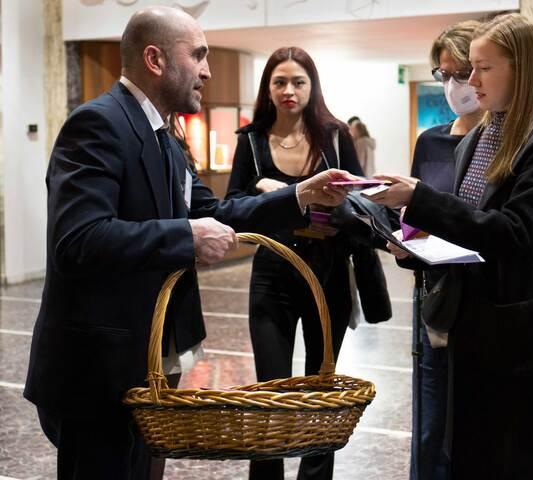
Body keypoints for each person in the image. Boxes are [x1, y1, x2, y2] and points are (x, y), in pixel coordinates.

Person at [23, 7, 356, 480]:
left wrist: (300, 194)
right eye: (197, 55)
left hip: (147, 359)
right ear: (155, 59)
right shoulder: (97, 124)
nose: (207, 70)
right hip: (99, 368)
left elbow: (215, 212)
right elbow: (79, 240)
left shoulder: (164, 136)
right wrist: (186, 235)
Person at [370, 14, 533, 479]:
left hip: (522, 333)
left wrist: (421, 199)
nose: (471, 81)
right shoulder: (480, 137)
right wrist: (414, 243)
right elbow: (468, 229)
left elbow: (512, 232)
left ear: (520, 69)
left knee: (519, 458)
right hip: (473, 324)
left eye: (483, 69)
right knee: (470, 452)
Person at [225, 46, 389, 480]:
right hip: (272, 275)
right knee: (271, 396)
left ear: (312, 86)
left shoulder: (334, 136)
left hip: (328, 273)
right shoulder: (251, 140)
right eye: (279, 82)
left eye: (298, 82)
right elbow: (231, 203)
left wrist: (333, 209)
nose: (289, 90)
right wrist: (264, 190)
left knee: (320, 392)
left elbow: (362, 199)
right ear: (267, 88)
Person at [390, 19, 482, 480]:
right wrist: (403, 242)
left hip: (486, 297)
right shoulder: (431, 142)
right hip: (436, 294)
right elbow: (416, 215)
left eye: (461, 73)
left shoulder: (508, 142)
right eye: (443, 75)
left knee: (476, 426)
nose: (453, 85)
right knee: (430, 423)